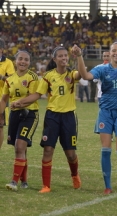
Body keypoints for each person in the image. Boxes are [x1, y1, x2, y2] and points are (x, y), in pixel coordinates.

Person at [71, 22, 117, 195]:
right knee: (105, 149)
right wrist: (80, 57)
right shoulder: (102, 69)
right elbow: (85, 76)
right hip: (105, 113)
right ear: (110, 53)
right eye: (114, 51)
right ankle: (108, 186)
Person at [10, 46, 82, 193]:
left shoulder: (71, 74)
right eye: (60, 56)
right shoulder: (48, 76)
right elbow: (37, 95)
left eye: (65, 56)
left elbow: (81, 74)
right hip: (52, 117)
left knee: (70, 153)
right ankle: (46, 186)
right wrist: (21, 102)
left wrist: (79, 56)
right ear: (54, 59)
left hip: (69, 116)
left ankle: (74, 175)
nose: (63, 58)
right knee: (48, 150)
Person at [0, 51, 39, 191]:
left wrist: (19, 102)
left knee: (19, 146)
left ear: (30, 62)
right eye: (21, 59)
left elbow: (35, 96)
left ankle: (14, 182)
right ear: (15, 61)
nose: (23, 62)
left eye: (26, 60)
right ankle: (25, 181)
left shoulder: (32, 77)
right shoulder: (9, 79)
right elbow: (4, 99)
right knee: (20, 148)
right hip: (14, 115)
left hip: (30, 115)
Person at [0, 38, 15, 149]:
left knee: (0, 127)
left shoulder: (8, 62)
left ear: (1, 49)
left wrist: (1, 77)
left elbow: (12, 80)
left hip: (1, 99)